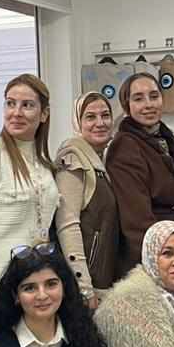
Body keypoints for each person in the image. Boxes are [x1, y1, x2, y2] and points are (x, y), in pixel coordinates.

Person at [0, 74, 60, 313]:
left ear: (44, 114)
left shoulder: (44, 164)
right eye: (10, 103)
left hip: (35, 288)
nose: (16, 112)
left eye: (27, 105)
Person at [105, 72, 174, 271]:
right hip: (151, 253)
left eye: (153, 96)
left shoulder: (168, 139)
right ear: (126, 106)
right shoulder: (124, 146)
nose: (148, 104)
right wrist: (159, 262)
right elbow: (136, 220)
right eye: (138, 98)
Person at [54, 92, 125, 307]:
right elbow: (68, 226)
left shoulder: (100, 160)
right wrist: (83, 287)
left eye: (105, 115)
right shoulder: (73, 161)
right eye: (90, 117)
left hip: (104, 282)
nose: (100, 123)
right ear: (78, 122)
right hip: (88, 288)